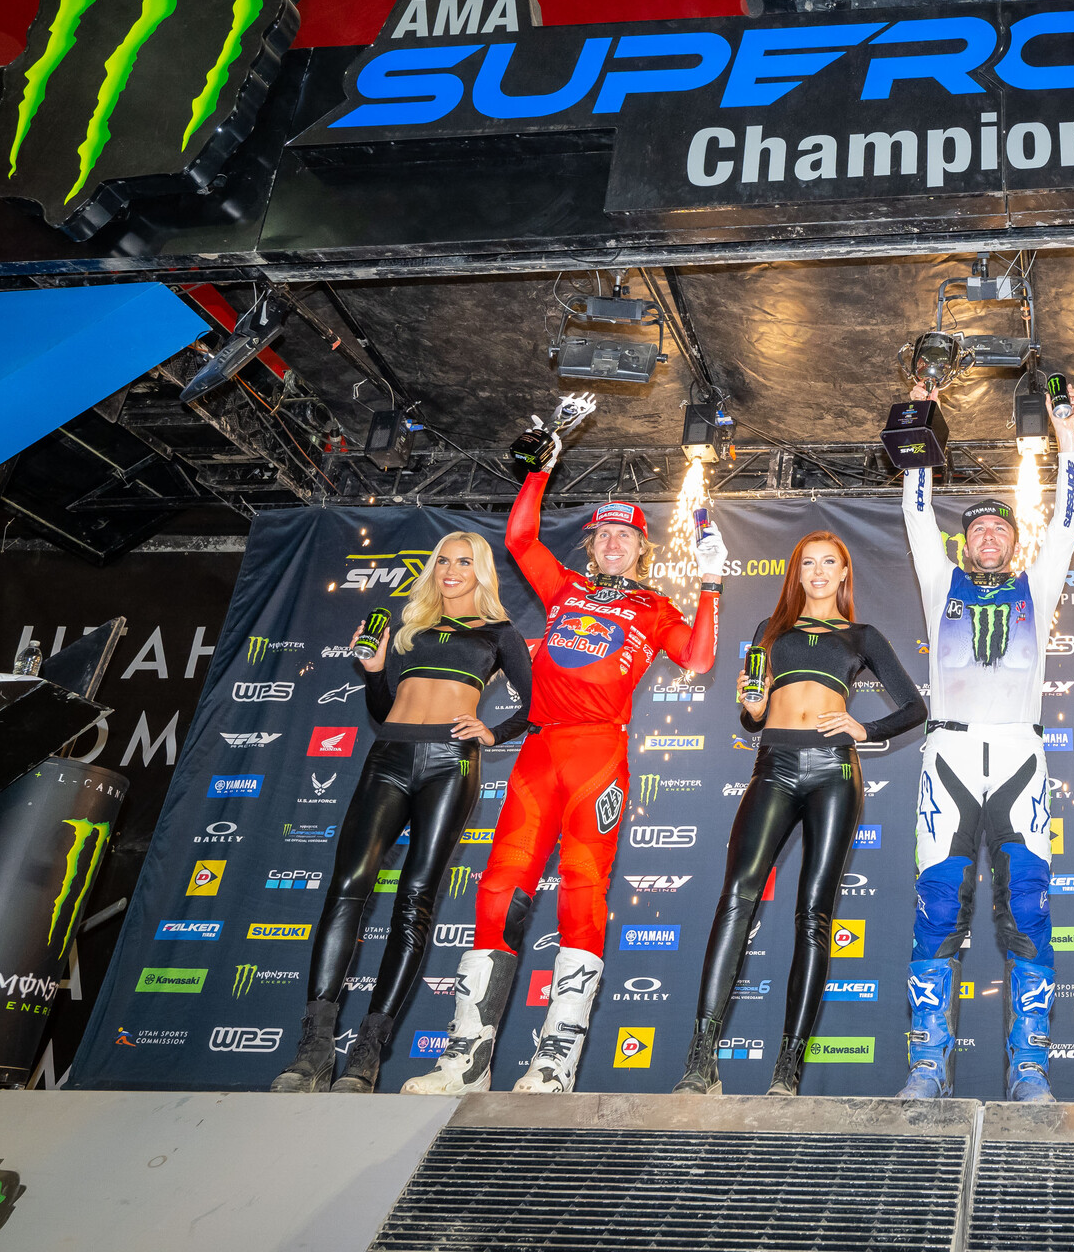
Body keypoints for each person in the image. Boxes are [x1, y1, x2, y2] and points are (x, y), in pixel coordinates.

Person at [401, 415, 725, 1094]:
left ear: (641, 548)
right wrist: (541, 468)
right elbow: (519, 537)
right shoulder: (565, 588)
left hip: (598, 757)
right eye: (602, 533)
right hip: (538, 756)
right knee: (496, 891)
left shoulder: (655, 607)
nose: (610, 542)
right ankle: (465, 1060)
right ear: (593, 544)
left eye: (624, 535)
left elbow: (698, 657)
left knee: (583, 894)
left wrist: (713, 586)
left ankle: (555, 1064)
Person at [271, 533, 529, 1093]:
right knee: (348, 885)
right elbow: (384, 709)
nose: (452, 570)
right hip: (389, 755)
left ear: (481, 571)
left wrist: (493, 731)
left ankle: (368, 1052)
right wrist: (374, 671)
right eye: (443, 560)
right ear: (432, 568)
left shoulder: (499, 633)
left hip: (450, 765)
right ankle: (314, 1047)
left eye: (464, 562)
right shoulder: (407, 628)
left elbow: (532, 708)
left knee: (415, 899)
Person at [672, 531, 927, 1097]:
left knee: (814, 912)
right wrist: (753, 706)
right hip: (775, 762)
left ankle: (788, 1069)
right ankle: (701, 1059)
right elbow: (751, 718)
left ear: (843, 574)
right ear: (796, 572)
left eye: (828, 563)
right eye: (807, 563)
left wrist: (867, 729)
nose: (817, 572)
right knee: (738, 894)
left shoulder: (861, 635)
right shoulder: (770, 630)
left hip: (834, 771)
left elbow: (916, 706)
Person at [897, 379, 1074, 1102]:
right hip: (947, 754)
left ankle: (1030, 1064)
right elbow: (915, 506)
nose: (986, 537)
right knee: (938, 906)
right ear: (961, 541)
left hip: (1018, 755)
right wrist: (918, 413)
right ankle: (927, 1063)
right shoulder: (937, 577)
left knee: (1031, 906)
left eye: (999, 529)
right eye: (975, 529)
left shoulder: (1036, 586)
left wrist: (1067, 441)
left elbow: (1067, 523)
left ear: (1013, 540)